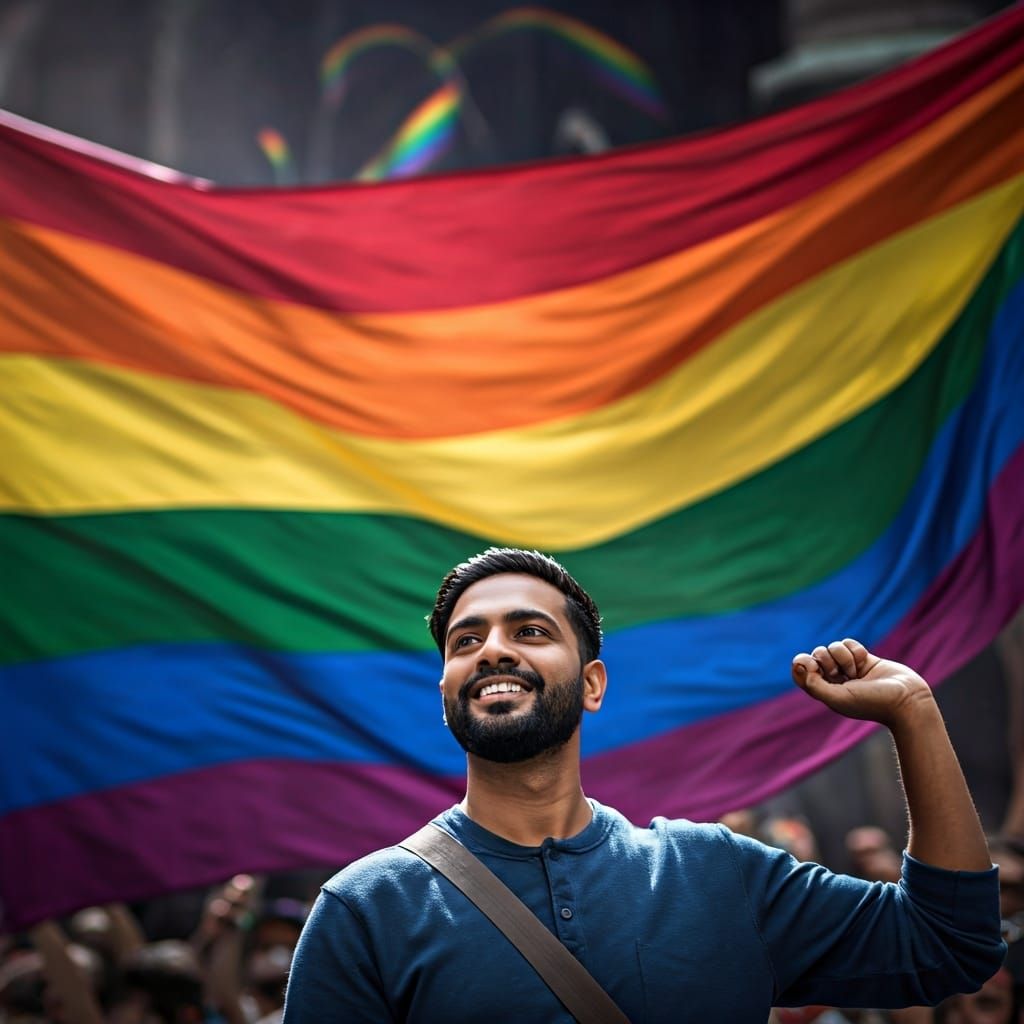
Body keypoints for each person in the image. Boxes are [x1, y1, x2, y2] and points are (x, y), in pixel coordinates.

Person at [282, 548, 1006, 1023]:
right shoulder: (363, 911)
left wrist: (914, 714)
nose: (493, 648)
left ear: (592, 684)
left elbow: (950, 945)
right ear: (445, 690)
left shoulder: (720, 872)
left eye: (529, 631)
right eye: (466, 641)